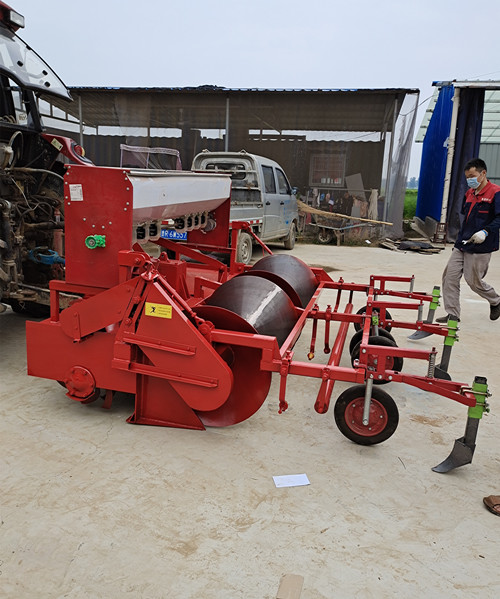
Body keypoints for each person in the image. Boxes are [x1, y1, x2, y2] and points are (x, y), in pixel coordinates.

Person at [437, 158, 500, 323]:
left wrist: (485, 231)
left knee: (473, 282)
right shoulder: (469, 193)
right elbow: (466, 219)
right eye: (467, 177)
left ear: (483, 173)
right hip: (463, 243)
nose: (469, 180)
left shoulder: (495, 192)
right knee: (449, 277)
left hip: (481, 245)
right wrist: (458, 241)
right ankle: (453, 314)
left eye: (472, 176)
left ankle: (496, 300)